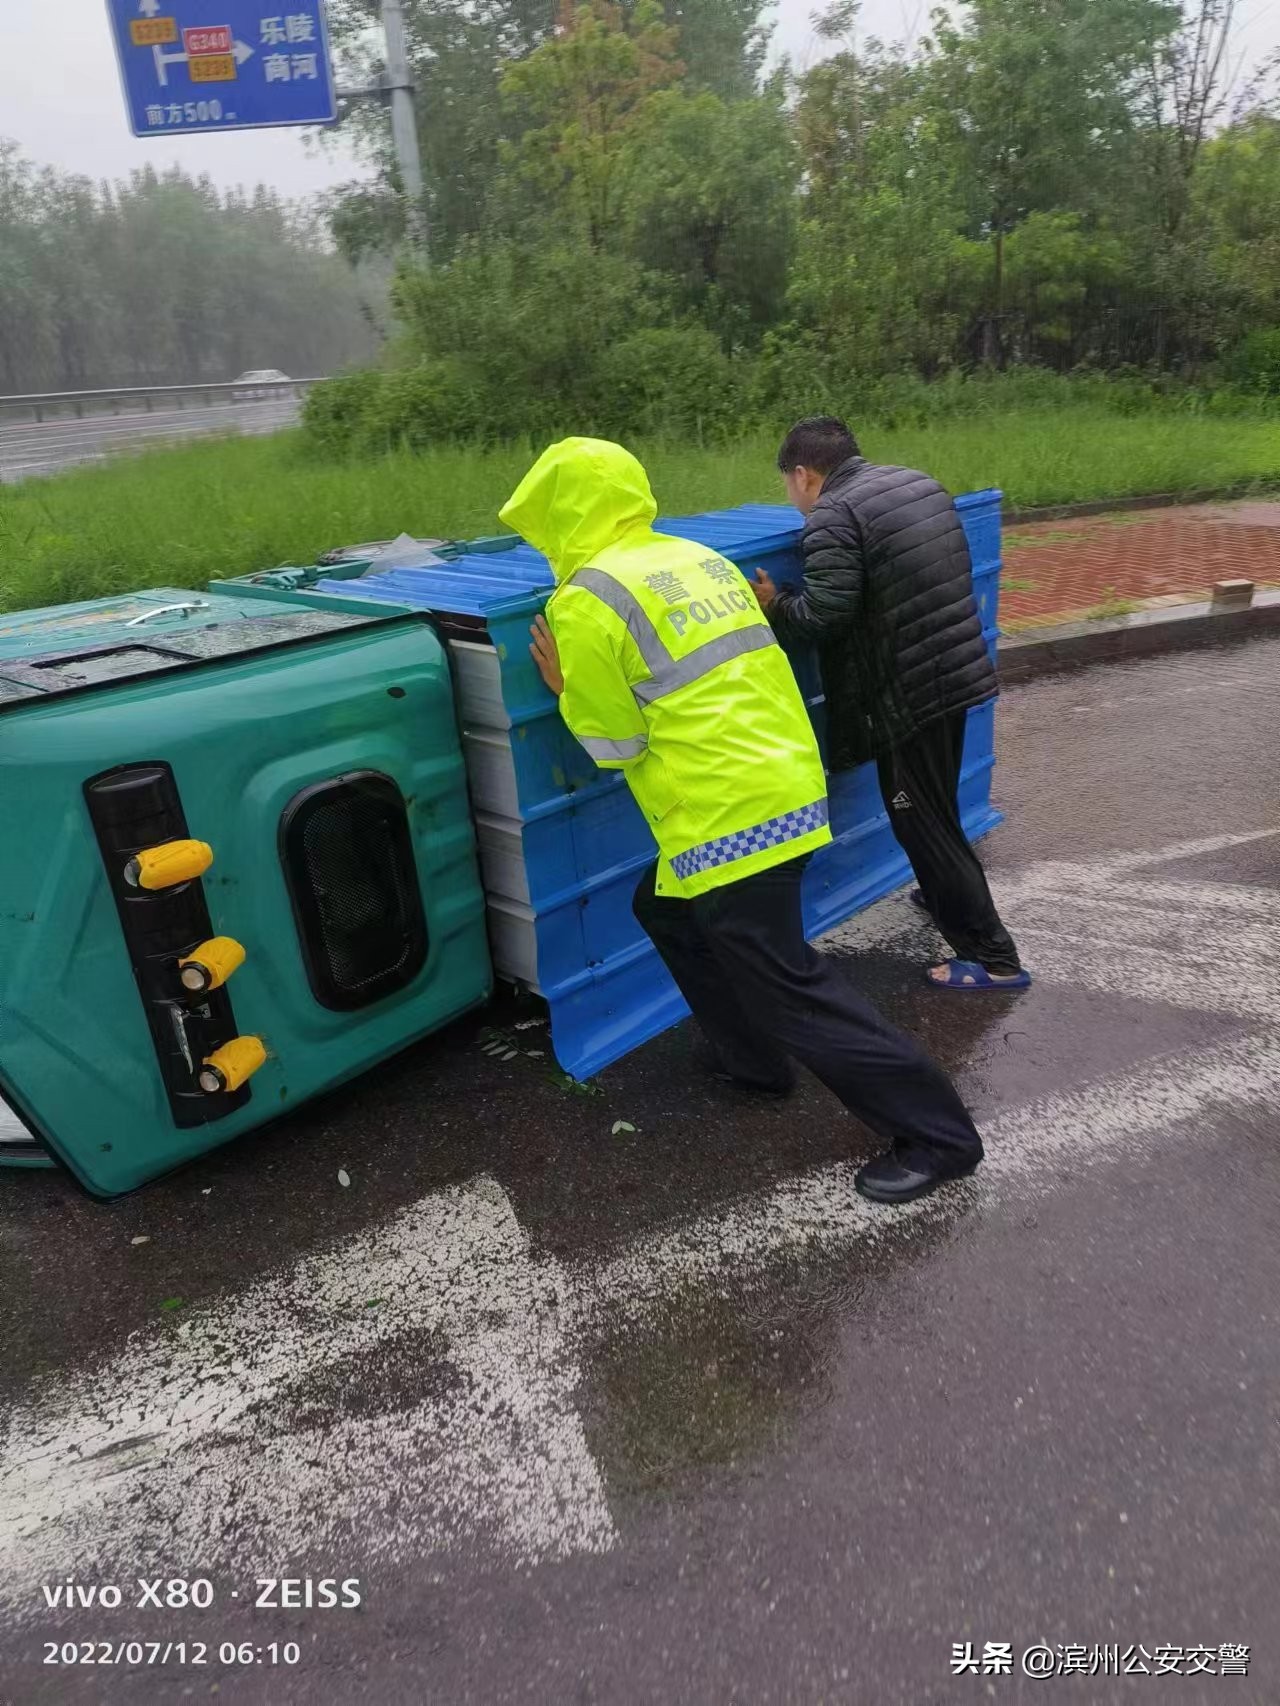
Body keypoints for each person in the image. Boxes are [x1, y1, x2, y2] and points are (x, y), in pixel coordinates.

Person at [501, 435, 985, 1205]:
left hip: (724, 814)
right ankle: (751, 1059)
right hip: (784, 783)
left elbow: (612, 745)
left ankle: (938, 1135)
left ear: (562, 517)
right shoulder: (697, 559)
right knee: (662, 909)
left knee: (790, 986)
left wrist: (564, 687)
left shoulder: (585, 600)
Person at [754, 416, 1029, 993]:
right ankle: (941, 894)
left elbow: (825, 615)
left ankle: (993, 956)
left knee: (920, 821)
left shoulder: (833, 513)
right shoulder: (916, 483)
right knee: (937, 806)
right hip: (953, 673)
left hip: (908, 695)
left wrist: (776, 606)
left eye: (788, 483)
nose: (792, 497)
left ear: (803, 474)